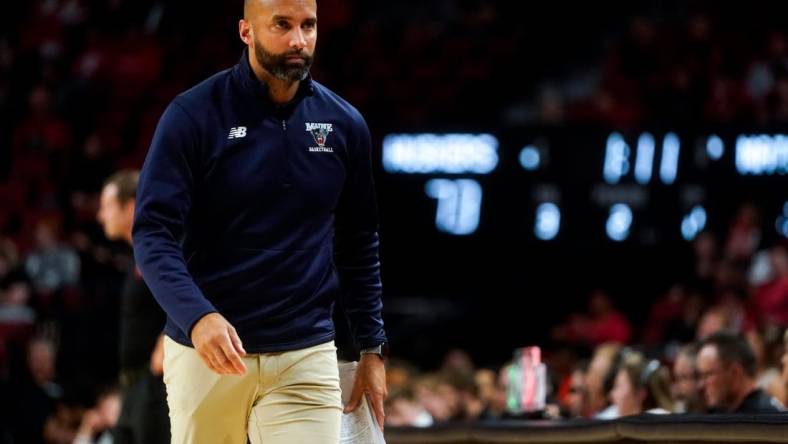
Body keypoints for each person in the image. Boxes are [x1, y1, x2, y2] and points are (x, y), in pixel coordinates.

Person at [132, 0, 388, 442]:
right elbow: (152, 234)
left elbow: (359, 241)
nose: (298, 40)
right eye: (282, 25)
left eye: (308, 26)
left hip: (305, 352)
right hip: (207, 352)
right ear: (246, 32)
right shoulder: (192, 115)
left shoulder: (344, 124)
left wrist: (372, 347)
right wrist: (197, 317)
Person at [96, 170, 169, 444]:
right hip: (132, 386)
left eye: (106, 207)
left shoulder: (160, 245)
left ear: (130, 206)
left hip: (155, 385)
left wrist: (167, 339)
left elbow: (192, 285)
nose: (101, 216)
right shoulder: (138, 252)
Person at [696, 332, 785, 413]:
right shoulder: (716, 413)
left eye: (708, 375)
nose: (701, 385)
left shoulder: (769, 417)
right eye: (700, 376)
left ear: (734, 373)